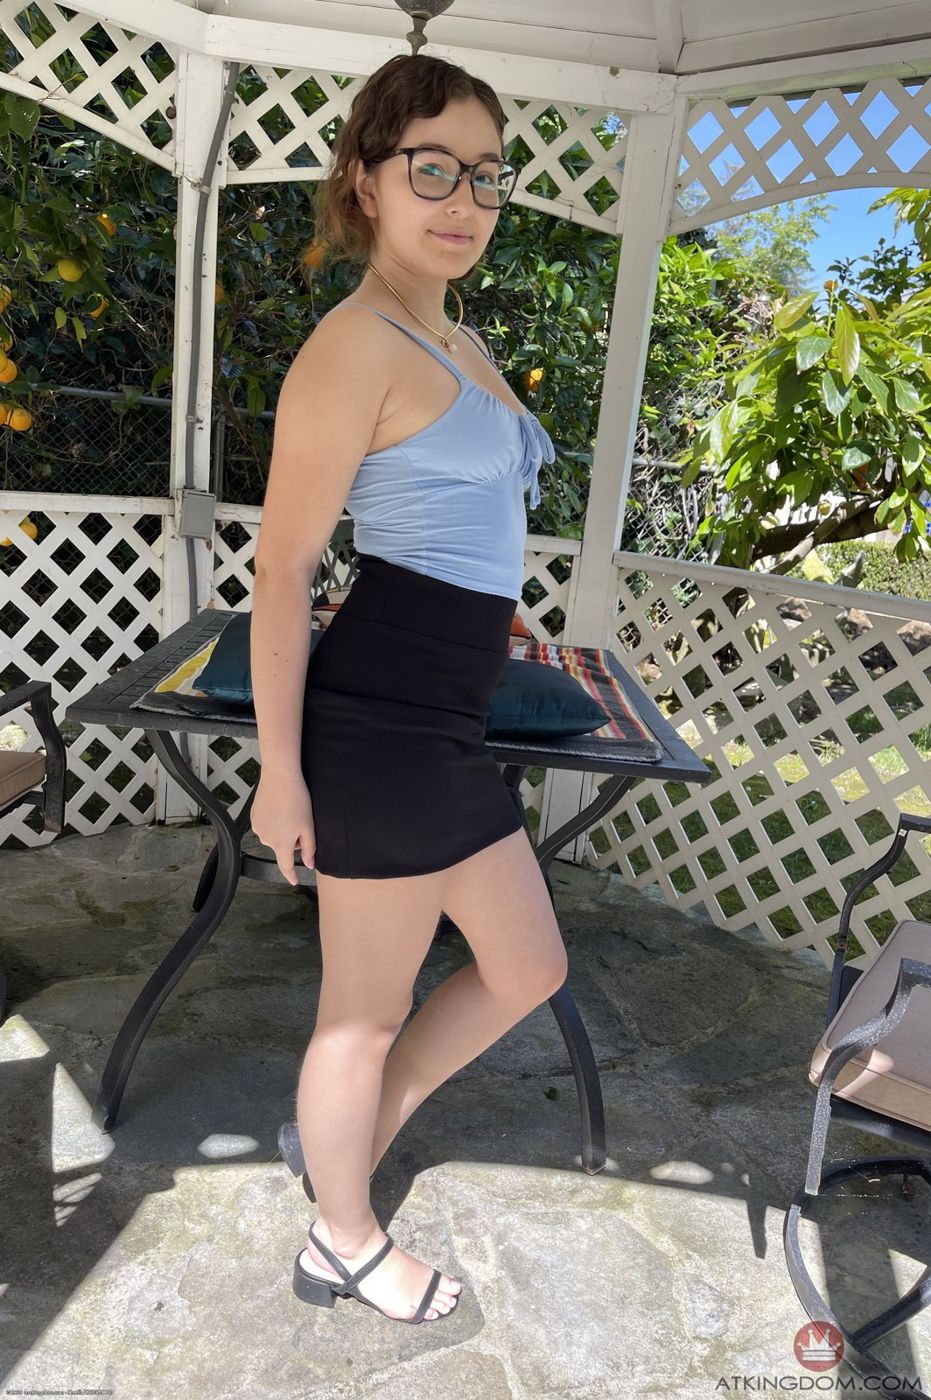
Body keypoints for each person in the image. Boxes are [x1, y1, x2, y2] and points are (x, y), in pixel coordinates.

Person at [249, 52, 569, 1326]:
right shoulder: (349, 348)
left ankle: (346, 1135)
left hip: (447, 709)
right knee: (362, 1014)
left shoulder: (460, 335)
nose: (463, 200)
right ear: (365, 180)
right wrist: (280, 772)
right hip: (379, 720)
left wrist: (501, 611)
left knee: (527, 962)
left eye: (485, 175)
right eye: (431, 168)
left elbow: (466, 515)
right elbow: (283, 570)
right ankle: (341, 1234)